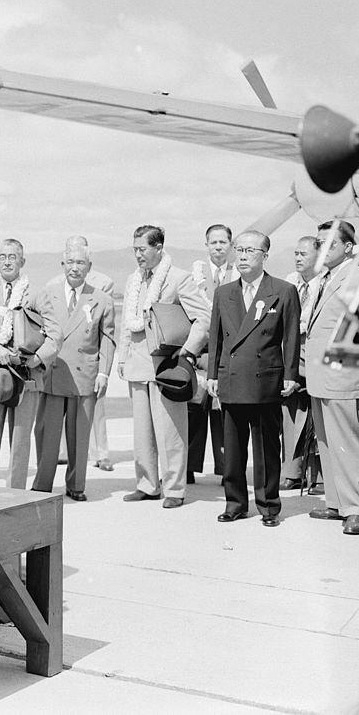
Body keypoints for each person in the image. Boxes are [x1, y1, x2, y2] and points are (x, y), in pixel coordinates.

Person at [207, 231, 300, 527]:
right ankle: (235, 503)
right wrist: (212, 375)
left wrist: (290, 375)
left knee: (266, 448)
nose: (243, 255)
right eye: (239, 249)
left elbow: (291, 337)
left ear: (265, 256)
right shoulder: (224, 293)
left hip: (265, 381)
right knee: (232, 451)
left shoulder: (283, 291)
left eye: (250, 250)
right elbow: (216, 339)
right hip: (232, 380)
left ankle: (269, 506)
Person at [119, 225, 209, 508]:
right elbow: (126, 324)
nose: (138, 255)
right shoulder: (132, 281)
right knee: (142, 433)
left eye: (142, 249)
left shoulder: (179, 278)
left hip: (167, 368)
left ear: (159, 248)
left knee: (170, 431)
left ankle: (174, 489)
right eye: (134, 250)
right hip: (137, 366)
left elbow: (204, 319)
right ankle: (147, 485)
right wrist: (122, 359)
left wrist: (187, 353)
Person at [0, 238, 61, 489]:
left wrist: (38, 358)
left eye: (13, 256)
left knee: (20, 440)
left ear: (22, 261)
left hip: (26, 376)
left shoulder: (36, 293)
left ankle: (15, 494)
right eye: (3, 257)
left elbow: (55, 336)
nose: (8, 261)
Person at [32, 242, 115, 501]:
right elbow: (31, 324)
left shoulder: (101, 299)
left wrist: (103, 373)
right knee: (47, 434)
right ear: (63, 266)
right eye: (70, 262)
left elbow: (108, 339)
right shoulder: (47, 293)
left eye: (80, 263)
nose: (75, 268)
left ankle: (76, 485)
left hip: (84, 376)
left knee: (79, 436)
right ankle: (42, 484)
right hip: (53, 374)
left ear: (89, 267)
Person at [304, 220, 359, 535]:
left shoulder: (356, 277)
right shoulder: (326, 279)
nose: (322, 249)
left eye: (329, 243)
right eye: (319, 242)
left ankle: (356, 509)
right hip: (320, 375)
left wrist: (340, 374)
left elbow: (355, 333)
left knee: (347, 443)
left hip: (341, 376)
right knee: (327, 441)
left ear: (348, 247)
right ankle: (336, 502)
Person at [188, 224, 237, 482]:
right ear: (206, 245)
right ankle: (187, 468)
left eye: (223, 243)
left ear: (231, 245)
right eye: (213, 242)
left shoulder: (239, 273)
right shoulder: (195, 274)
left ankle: (226, 469)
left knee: (224, 415)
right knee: (194, 410)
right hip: (202, 353)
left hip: (228, 355)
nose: (218, 247)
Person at [280, 235, 320, 489]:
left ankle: (320, 476)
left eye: (303, 253)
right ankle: (292, 472)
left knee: (317, 416)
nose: (297, 258)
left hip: (316, 355)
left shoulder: (326, 285)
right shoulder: (289, 284)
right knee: (289, 411)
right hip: (291, 353)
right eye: (295, 253)